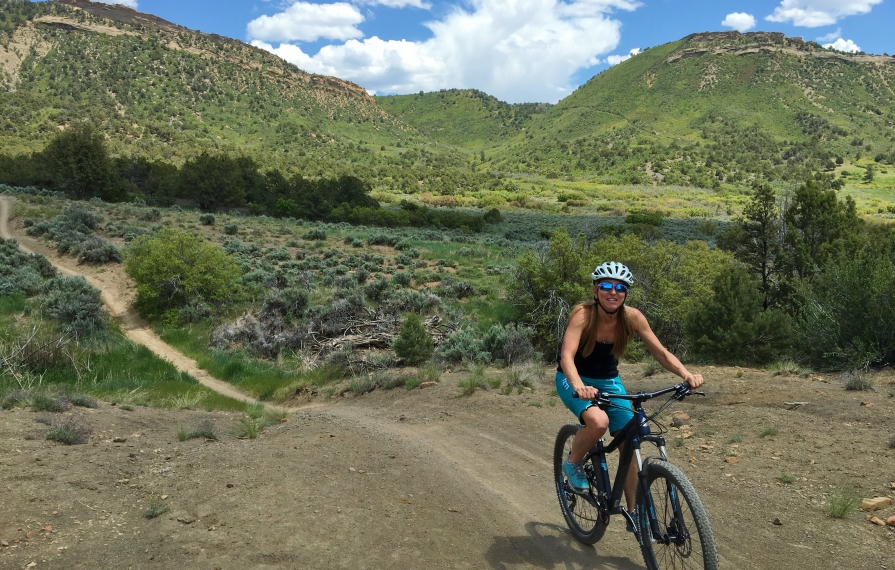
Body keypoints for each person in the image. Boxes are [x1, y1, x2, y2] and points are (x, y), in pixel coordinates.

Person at [555, 261, 704, 528]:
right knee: (599, 422)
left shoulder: (632, 317)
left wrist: (686, 374)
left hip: (608, 381)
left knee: (630, 438)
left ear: (626, 292)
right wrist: (579, 385)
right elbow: (566, 356)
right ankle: (573, 463)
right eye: (607, 286)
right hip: (573, 378)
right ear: (595, 290)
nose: (613, 292)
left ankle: (636, 513)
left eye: (620, 287)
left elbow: (660, 353)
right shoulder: (583, 315)